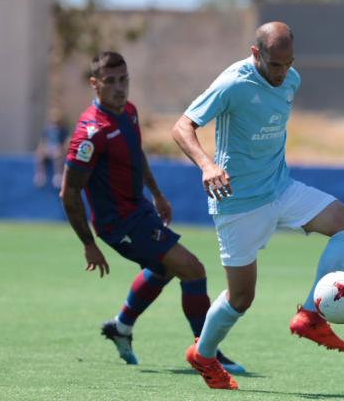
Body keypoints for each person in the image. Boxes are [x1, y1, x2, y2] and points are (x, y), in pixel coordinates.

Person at [172, 21, 344, 390]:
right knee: (242, 298)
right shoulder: (233, 83)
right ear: (255, 54)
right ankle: (204, 355)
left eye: (288, 63)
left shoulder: (291, 79)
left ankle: (311, 315)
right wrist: (208, 165)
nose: (283, 73)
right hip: (238, 203)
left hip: (281, 189)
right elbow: (182, 127)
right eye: (275, 65)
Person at [60, 51, 243, 373]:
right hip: (118, 224)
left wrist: (156, 194)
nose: (119, 88)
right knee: (192, 269)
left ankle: (121, 326)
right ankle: (206, 351)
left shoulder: (128, 112)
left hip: (140, 211)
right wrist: (88, 244)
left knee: (164, 268)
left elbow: (135, 155)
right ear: (95, 84)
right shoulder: (90, 133)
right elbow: (69, 191)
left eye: (123, 80)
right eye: (110, 81)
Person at [34, 108, 69, 188]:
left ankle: (58, 175)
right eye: (53, 121)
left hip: (57, 149)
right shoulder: (47, 130)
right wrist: (40, 149)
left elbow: (66, 142)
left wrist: (63, 149)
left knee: (58, 157)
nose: (55, 123)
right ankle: (40, 175)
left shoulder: (63, 130)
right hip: (48, 149)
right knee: (39, 156)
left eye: (57, 121)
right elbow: (43, 141)